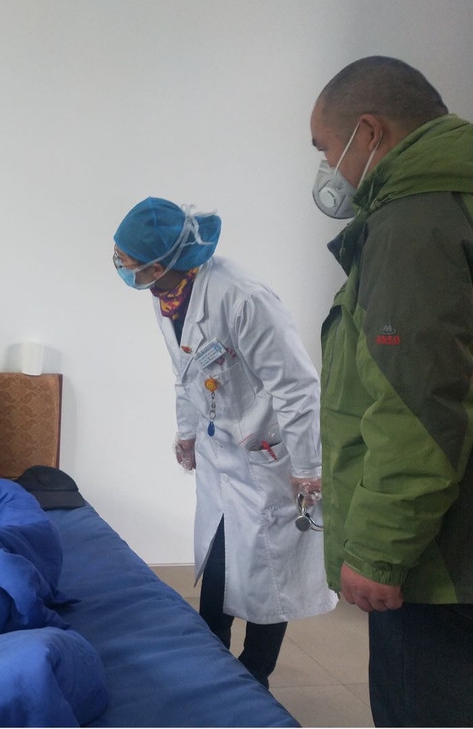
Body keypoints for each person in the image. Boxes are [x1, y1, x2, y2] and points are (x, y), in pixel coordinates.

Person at [308, 56, 473, 726]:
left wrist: (378, 550)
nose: (327, 169)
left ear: (369, 132)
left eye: (325, 149)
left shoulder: (413, 226)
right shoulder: (453, 202)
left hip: (443, 560)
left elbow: (418, 405)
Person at [112, 196, 336, 688]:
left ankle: (255, 677)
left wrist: (307, 466)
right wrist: (187, 433)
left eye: (126, 262)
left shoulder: (242, 298)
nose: (122, 269)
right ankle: (211, 673)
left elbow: (297, 386)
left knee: (269, 578)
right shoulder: (168, 297)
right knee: (218, 567)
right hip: (221, 457)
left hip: (267, 457)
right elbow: (185, 372)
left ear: (158, 264)